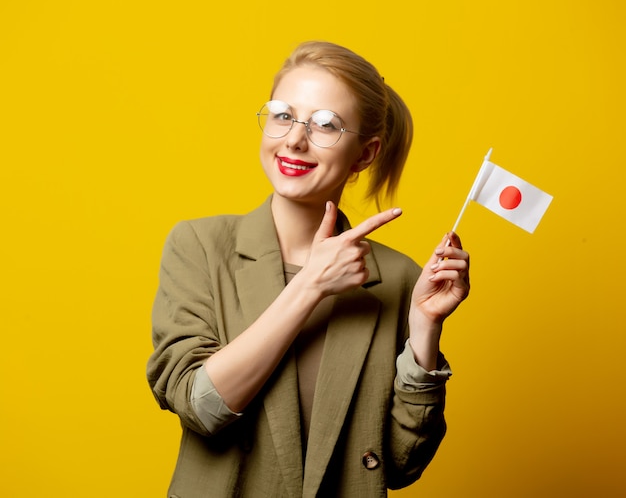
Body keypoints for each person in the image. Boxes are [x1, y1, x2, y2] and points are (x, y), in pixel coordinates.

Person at [147, 40, 470, 497]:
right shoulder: (199, 246)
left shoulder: (400, 280)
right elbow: (199, 406)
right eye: (283, 114)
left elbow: (399, 465)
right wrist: (311, 287)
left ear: (365, 154)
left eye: (326, 125)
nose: (295, 139)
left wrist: (424, 331)